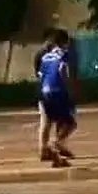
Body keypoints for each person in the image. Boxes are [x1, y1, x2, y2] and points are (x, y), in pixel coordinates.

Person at [38, 29, 77, 164]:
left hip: (44, 91)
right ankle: (56, 143)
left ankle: (45, 150)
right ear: (65, 42)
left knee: (46, 122)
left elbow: (41, 76)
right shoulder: (64, 54)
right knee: (70, 123)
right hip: (58, 91)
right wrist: (69, 88)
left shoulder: (45, 57)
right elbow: (62, 70)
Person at [34, 28, 56, 161]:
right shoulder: (42, 54)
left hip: (52, 91)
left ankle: (49, 148)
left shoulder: (52, 53)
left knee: (50, 121)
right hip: (46, 92)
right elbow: (39, 74)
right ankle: (43, 149)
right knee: (46, 121)